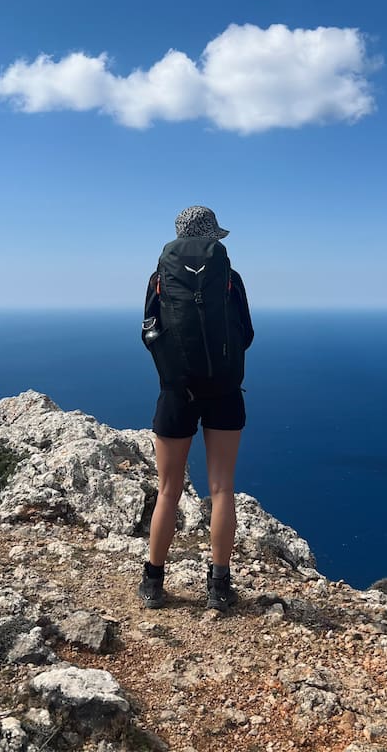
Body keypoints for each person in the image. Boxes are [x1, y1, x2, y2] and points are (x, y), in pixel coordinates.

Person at [139, 206, 253, 612]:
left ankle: (153, 583)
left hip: (175, 393)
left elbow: (149, 331)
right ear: (212, 239)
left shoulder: (159, 279)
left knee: (168, 490)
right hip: (224, 390)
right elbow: (248, 334)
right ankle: (219, 587)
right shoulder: (230, 279)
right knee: (222, 488)